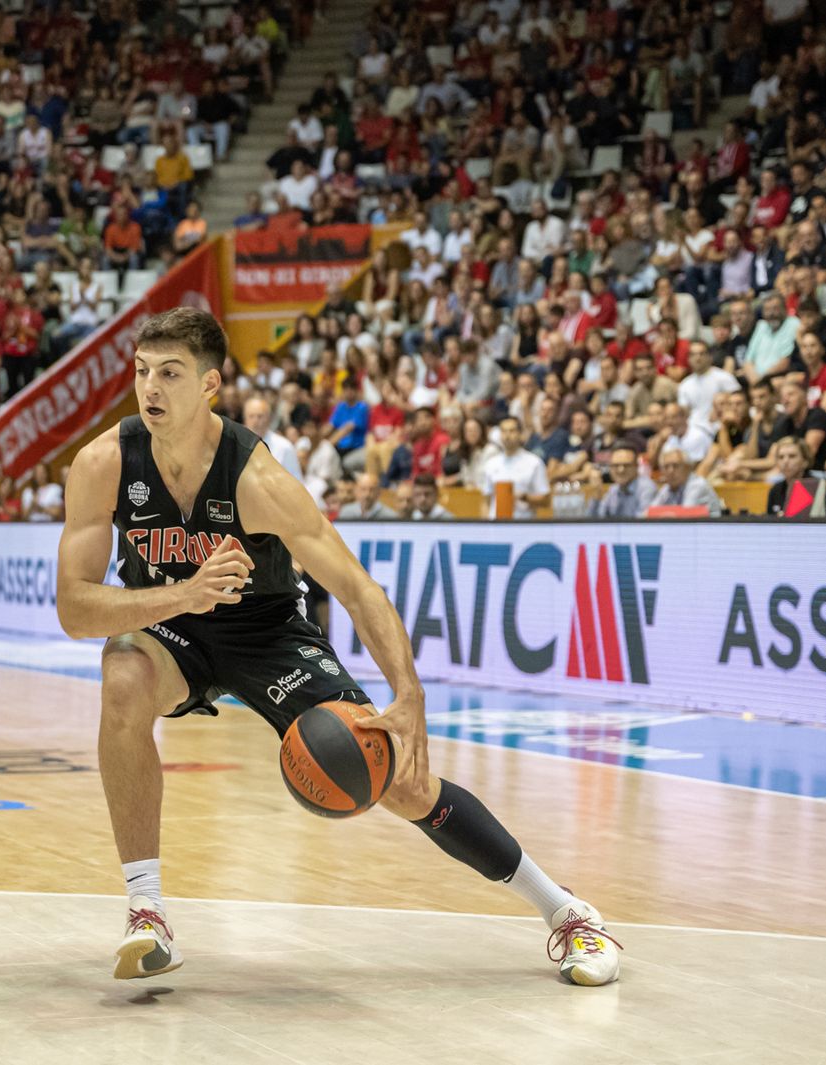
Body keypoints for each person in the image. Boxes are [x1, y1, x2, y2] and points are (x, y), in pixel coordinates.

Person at [55, 307, 620, 988]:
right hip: (169, 625)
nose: (149, 388)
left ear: (210, 385)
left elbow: (356, 587)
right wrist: (183, 595)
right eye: (142, 371)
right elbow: (75, 608)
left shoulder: (257, 479)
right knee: (122, 678)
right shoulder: (103, 463)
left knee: (401, 780)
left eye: (169, 373)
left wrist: (408, 694)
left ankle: (566, 912)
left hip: (265, 629)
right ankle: (147, 912)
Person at [480, 416, 551, 518]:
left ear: (520, 434)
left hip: (522, 526)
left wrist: (525, 498)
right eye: (503, 431)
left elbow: (546, 501)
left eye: (512, 431)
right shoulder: (491, 464)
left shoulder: (534, 463)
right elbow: (486, 501)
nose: (507, 435)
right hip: (496, 526)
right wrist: (484, 529)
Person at [649, 446, 722, 514]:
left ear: (687, 468)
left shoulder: (698, 485)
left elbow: (684, 515)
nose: (670, 471)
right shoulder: (668, 488)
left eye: (675, 465)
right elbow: (650, 513)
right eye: (666, 467)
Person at [243, 395, 301, 480]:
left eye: (260, 416)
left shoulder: (284, 447)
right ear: (245, 419)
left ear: (269, 418)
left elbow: (296, 481)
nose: (255, 420)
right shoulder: (235, 445)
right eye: (251, 416)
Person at [588, 447, 655, 517]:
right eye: (616, 465)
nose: (621, 470)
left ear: (636, 466)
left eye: (626, 465)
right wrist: (596, 495)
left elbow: (644, 523)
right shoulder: (613, 489)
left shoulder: (646, 488)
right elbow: (596, 520)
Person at [764, 436, 818, 516]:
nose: (785, 461)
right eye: (781, 457)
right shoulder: (775, 490)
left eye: (792, 456)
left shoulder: (815, 487)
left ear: (805, 461)